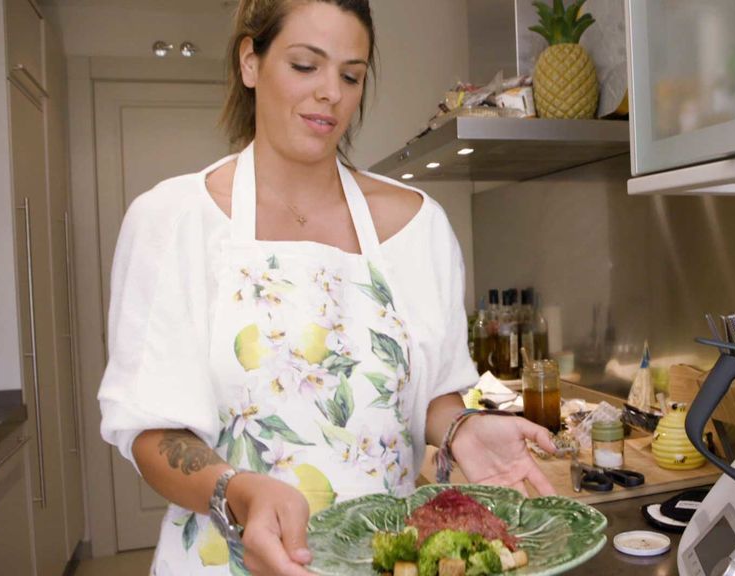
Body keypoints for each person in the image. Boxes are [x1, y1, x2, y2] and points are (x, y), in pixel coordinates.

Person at [97, 1, 557, 574]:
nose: (330, 94)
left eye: (350, 75)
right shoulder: (172, 220)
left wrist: (463, 427)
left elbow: (432, 395)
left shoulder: (418, 226)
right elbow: (153, 433)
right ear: (250, 62)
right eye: (304, 65)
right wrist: (240, 492)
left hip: (382, 559)